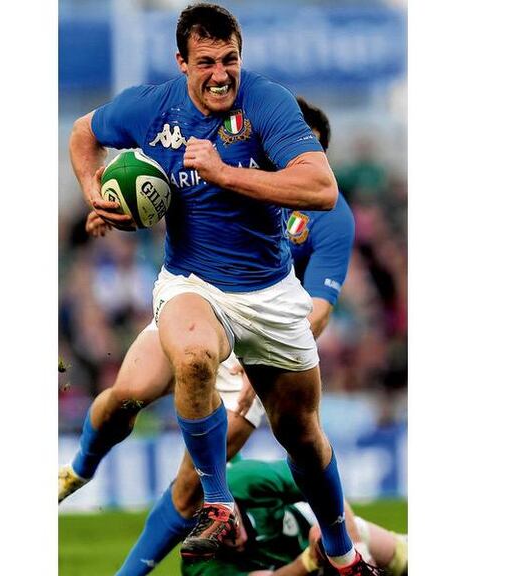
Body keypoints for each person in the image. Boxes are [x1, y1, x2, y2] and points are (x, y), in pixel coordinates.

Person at [67, 4, 377, 573]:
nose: (220, 73)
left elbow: (322, 189)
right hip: (191, 285)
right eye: (206, 61)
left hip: (269, 296)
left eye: (230, 59)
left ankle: (340, 551)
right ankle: (216, 503)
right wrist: (95, 193)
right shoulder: (150, 108)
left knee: (302, 435)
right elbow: (85, 132)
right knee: (182, 364)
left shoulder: (267, 103)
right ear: (181, 62)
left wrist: (225, 173)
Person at [180, 458, 408, 576]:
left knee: (404, 559)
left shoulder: (246, 479)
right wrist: (309, 560)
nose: (234, 540)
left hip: (316, 531)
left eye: (231, 525)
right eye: (220, 540)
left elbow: (322, 486)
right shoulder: (198, 566)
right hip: (295, 569)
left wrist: (358, 550)